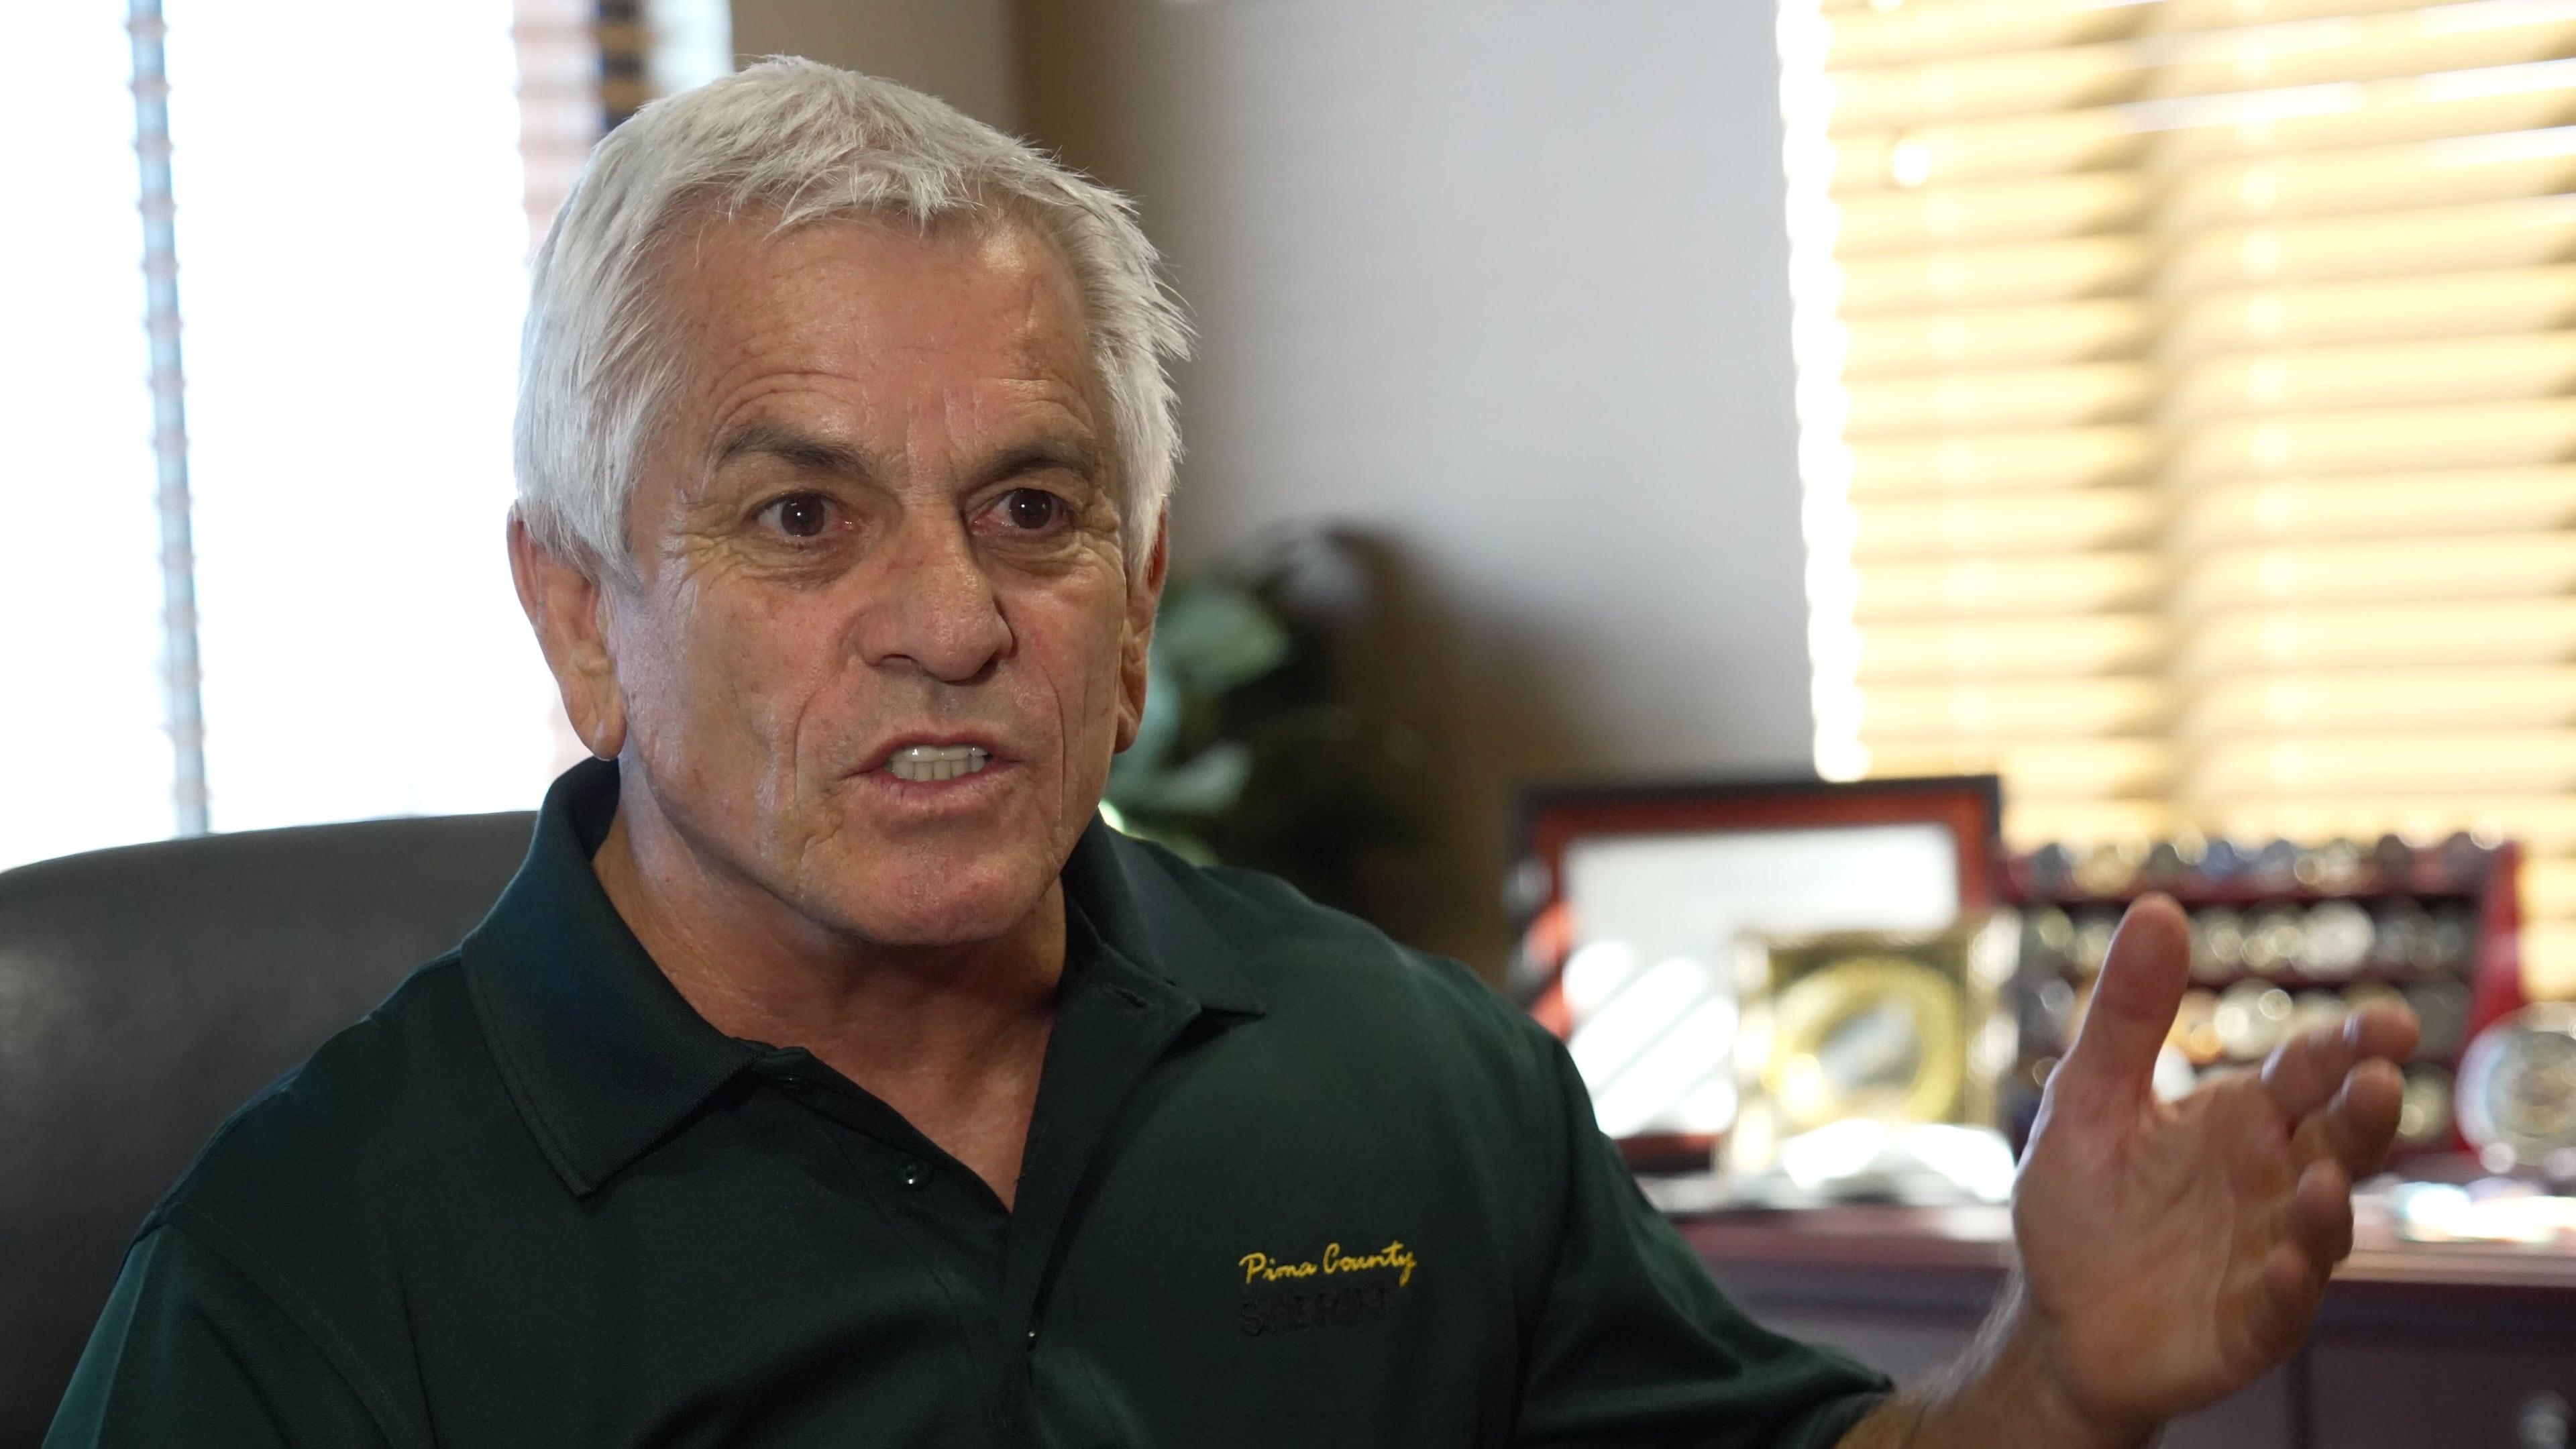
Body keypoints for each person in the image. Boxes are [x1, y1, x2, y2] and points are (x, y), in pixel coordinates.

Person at [46, 59, 2414, 1449]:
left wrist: (2051, 1379)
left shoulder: (1396, 1073)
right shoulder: (301, 1286)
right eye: (800, 517)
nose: (954, 619)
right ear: (580, 616)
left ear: (1139, 596)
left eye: (1034, 511)